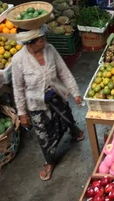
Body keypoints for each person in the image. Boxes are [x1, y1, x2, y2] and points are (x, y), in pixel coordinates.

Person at [11, 26, 85, 181]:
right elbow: (18, 88)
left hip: (56, 94)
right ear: (29, 43)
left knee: (66, 116)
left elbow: (63, 72)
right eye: (40, 40)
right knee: (43, 133)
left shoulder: (50, 49)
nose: (44, 41)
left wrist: (75, 93)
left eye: (43, 38)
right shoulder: (18, 60)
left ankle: (74, 129)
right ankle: (50, 161)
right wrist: (22, 113)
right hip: (36, 102)